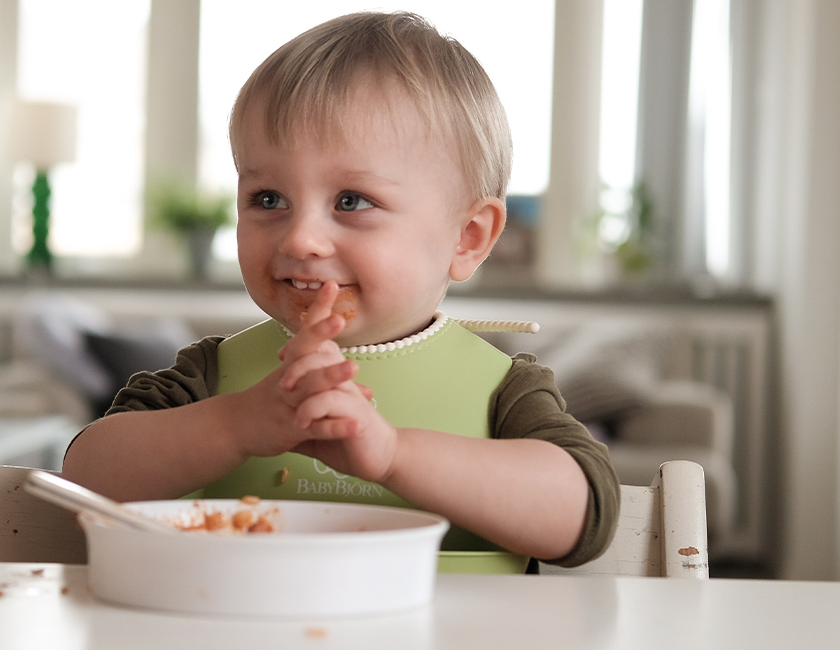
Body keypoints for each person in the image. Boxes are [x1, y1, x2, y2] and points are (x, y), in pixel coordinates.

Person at [62, 11, 619, 570]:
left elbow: (585, 517)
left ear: (467, 238)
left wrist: (393, 455)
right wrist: (235, 424)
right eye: (268, 199)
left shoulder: (502, 389)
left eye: (351, 201)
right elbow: (85, 482)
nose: (300, 238)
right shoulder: (211, 377)